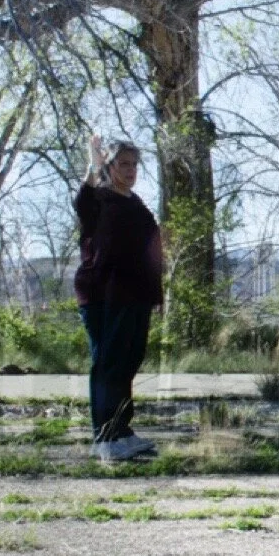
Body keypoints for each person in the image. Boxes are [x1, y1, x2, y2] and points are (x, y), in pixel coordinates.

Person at [75, 135, 163, 463]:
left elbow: (153, 251)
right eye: (123, 164)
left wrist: (156, 294)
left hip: (136, 295)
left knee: (128, 361)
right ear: (109, 167)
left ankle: (122, 432)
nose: (130, 170)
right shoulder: (99, 200)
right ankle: (106, 438)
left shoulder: (137, 206)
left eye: (134, 164)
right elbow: (81, 203)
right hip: (104, 295)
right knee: (109, 363)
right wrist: (91, 168)